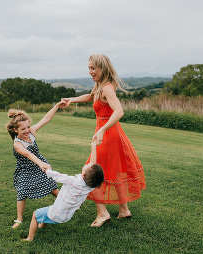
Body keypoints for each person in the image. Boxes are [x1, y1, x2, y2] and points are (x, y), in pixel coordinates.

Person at [60, 54, 145, 227]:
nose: (90, 72)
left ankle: (103, 213)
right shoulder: (99, 85)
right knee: (114, 170)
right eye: (89, 68)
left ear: (102, 68)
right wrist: (72, 99)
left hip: (108, 135)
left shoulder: (107, 87)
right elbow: (91, 97)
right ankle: (124, 210)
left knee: (90, 172)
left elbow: (119, 111)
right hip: (110, 134)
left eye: (93, 68)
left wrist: (102, 130)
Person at [22, 140, 105, 241]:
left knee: (35, 214)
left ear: (83, 174)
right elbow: (93, 163)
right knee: (49, 209)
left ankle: (29, 238)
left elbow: (57, 176)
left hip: (57, 213)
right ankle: (42, 225)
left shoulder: (73, 181)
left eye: (87, 165)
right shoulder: (91, 185)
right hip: (66, 215)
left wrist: (47, 169)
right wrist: (93, 146)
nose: (88, 163)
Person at [5, 101, 66, 228]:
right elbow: (28, 155)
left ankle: (67, 204)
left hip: (39, 164)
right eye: (23, 129)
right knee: (22, 191)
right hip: (25, 169)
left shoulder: (31, 131)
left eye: (28, 127)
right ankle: (19, 219)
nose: (27, 130)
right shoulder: (17, 144)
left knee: (52, 187)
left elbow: (46, 118)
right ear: (16, 130)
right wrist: (41, 163)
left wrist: (56, 106)